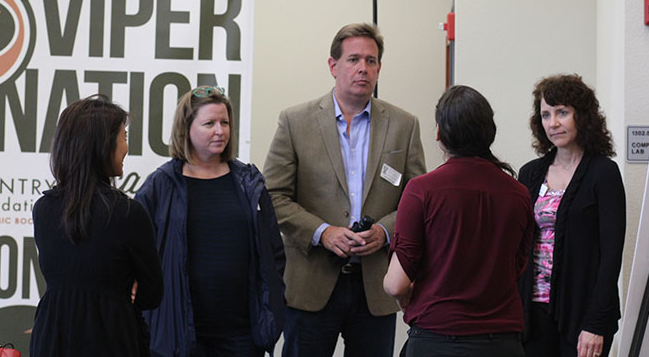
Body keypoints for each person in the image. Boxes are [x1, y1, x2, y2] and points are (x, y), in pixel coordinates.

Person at [263, 22, 427, 357]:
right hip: (310, 282)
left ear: (379, 68)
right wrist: (322, 232)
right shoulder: (295, 121)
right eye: (353, 59)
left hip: (376, 286)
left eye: (371, 61)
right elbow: (273, 196)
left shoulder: (404, 125)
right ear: (333, 65)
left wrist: (384, 231)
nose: (363, 69)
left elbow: (418, 199)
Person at [134, 86, 286, 357]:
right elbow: (135, 252)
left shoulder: (248, 181)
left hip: (241, 334)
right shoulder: (161, 185)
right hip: (181, 335)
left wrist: (272, 303)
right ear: (186, 129)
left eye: (225, 122)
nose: (220, 131)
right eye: (209, 124)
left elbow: (273, 251)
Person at [383, 85, 534, 357]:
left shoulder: (421, 190)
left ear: (440, 134)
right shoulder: (519, 194)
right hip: (502, 343)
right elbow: (516, 267)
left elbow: (396, 284)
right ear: (489, 132)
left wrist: (406, 297)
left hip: (437, 340)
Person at [30, 95, 163, 356]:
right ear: (102, 145)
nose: (126, 147)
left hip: (51, 339)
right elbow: (152, 294)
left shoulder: (43, 209)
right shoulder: (127, 213)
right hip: (110, 339)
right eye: (123, 136)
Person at [518, 74, 626, 357]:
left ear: (583, 116)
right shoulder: (529, 173)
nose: (553, 123)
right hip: (532, 314)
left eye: (562, 112)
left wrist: (596, 323)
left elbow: (611, 256)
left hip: (583, 315)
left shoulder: (604, 174)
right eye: (545, 114)